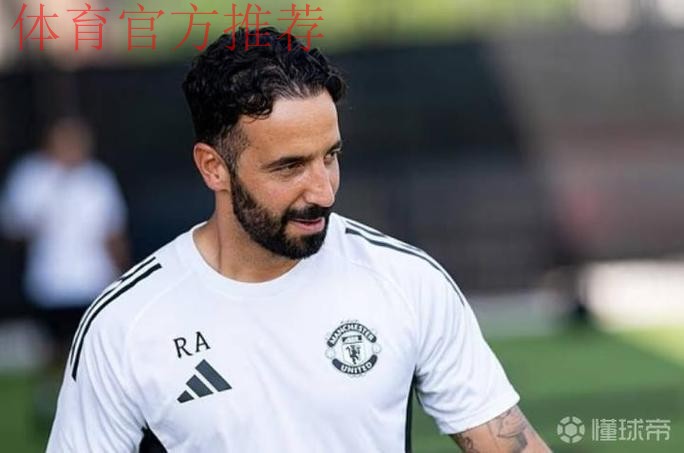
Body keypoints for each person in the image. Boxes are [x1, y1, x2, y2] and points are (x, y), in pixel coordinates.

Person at [47, 28, 550, 452]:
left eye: (330, 156)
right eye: (289, 167)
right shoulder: (125, 326)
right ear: (213, 167)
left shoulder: (407, 282)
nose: (323, 191)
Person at [0, 115, 129, 424]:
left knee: (92, 347)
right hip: (50, 282)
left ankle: (95, 406)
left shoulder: (97, 178)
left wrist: (121, 272)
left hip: (92, 279)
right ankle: (50, 401)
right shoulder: (32, 176)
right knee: (54, 348)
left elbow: (112, 231)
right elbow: (14, 227)